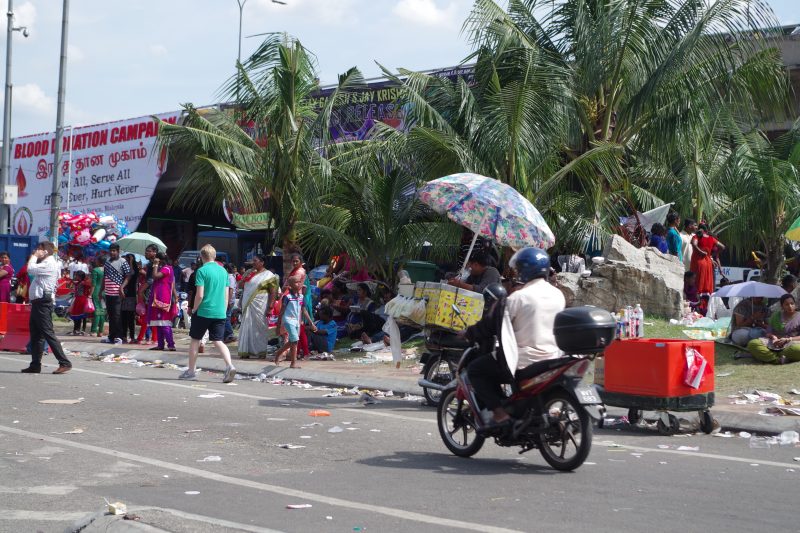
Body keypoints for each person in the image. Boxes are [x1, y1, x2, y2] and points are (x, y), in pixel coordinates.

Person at [466, 248, 565, 428]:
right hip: (553, 357)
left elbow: (490, 325)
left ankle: (500, 414)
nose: (517, 273)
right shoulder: (558, 295)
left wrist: (468, 333)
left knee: (475, 370)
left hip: (523, 360)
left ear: (525, 270)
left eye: (519, 269)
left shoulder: (519, 297)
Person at [180, 244, 237, 382]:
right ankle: (229, 365)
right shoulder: (223, 271)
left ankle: (191, 371)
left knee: (195, 340)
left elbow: (199, 295)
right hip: (220, 311)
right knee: (218, 340)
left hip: (204, 311)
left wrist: (194, 309)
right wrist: (223, 310)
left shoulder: (201, 271)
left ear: (201, 257)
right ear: (215, 256)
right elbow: (225, 294)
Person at [21, 242, 72, 374]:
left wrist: (33, 256)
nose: (37, 251)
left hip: (43, 302)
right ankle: (35, 364)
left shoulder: (49, 263)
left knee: (47, 333)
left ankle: (64, 362)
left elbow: (30, 269)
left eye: (39, 249)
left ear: (46, 252)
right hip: (38, 302)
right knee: (36, 335)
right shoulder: (46, 263)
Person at [237, 254, 279, 358]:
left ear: (262, 262)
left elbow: (273, 292)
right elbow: (240, 285)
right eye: (253, 260)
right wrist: (245, 277)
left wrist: (270, 307)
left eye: (255, 261)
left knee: (259, 327)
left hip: (261, 304)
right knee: (247, 325)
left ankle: (260, 351)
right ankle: (245, 351)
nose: (253, 262)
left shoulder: (269, 275)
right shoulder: (249, 272)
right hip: (247, 304)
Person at [273, 275, 316, 368]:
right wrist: (278, 326)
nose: (300, 284)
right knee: (295, 340)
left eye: (300, 282)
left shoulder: (301, 297)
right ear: (291, 285)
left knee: (293, 341)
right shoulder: (287, 297)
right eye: (297, 282)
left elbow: (304, 311)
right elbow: (281, 312)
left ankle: (279, 352)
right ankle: (293, 363)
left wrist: (311, 323)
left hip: (297, 321)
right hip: (288, 321)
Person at [747, 294, 800, 364]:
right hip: (774, 344)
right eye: (786, 304)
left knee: (797, 349)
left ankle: (772, 356)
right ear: (782, 306)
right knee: (752, 344)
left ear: (795, 304)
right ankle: (777, 360)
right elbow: (768, 332)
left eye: (792, 303)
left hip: (792, 344)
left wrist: (788, 339)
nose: (790, 306)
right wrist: (773, 337)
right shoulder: (776, 316)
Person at [102, 243, 132, 344]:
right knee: (110, 315)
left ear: (118, 251)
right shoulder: (107, 262)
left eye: (114, 251)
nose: (112, 252)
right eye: (111, 251)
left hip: (117, 293)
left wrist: (122, 287)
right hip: (108, 293)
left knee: (117, 315)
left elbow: (128, 276)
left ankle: (120, 337)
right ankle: (111, 336)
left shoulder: (123, 262)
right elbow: (104, 276)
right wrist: (101, 289)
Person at [148, 251, 176, 351]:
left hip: (162, 298)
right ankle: (160, 344)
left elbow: (155, 276)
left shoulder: (167, 269)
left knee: (164, 323)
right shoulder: (167, 268)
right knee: (159, 323)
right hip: (158, 297)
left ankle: (171, 345)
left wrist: (155, 264)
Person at [690, 224, 724, 295]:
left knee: (696, 284)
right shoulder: (711, 238)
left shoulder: (696, 236)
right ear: (707, 230)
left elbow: (694, 244)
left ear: (700, 229)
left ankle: (697, 303)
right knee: (706, 284)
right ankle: (705, 303)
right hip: (708, 263)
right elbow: (722, 247)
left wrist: (701, 252)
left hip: (698, 263)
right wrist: (711, 255)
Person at [68, 270, 92, 335]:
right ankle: (76, 329)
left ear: (80, 276)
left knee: (82, 316)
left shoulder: (84, 283)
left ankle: (81, 330)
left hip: (82, 300)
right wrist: (72, 281)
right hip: (78, 300)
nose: (75, 277)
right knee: (76, 315)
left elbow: (90, 285)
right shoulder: (78, 282)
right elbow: (68, 286)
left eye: (77, 276)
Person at [90, 256, 106, 337]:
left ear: (99, 261)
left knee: (97, 311)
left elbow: (93, 284)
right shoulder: (107, 270)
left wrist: (90, 295)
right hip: (104, 292)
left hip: (96, 292)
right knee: (102, 311)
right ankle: (101, 331)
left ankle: (94, 331)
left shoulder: (95, 270)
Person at [223, 263, 237, 343]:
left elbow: (230, 290)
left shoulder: (230, 277)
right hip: (228, 300)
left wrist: (228, 301)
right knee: (226, 317)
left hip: (229, 300)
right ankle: (226, 336)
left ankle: (230, 334)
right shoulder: (229, 277)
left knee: (226, 318)